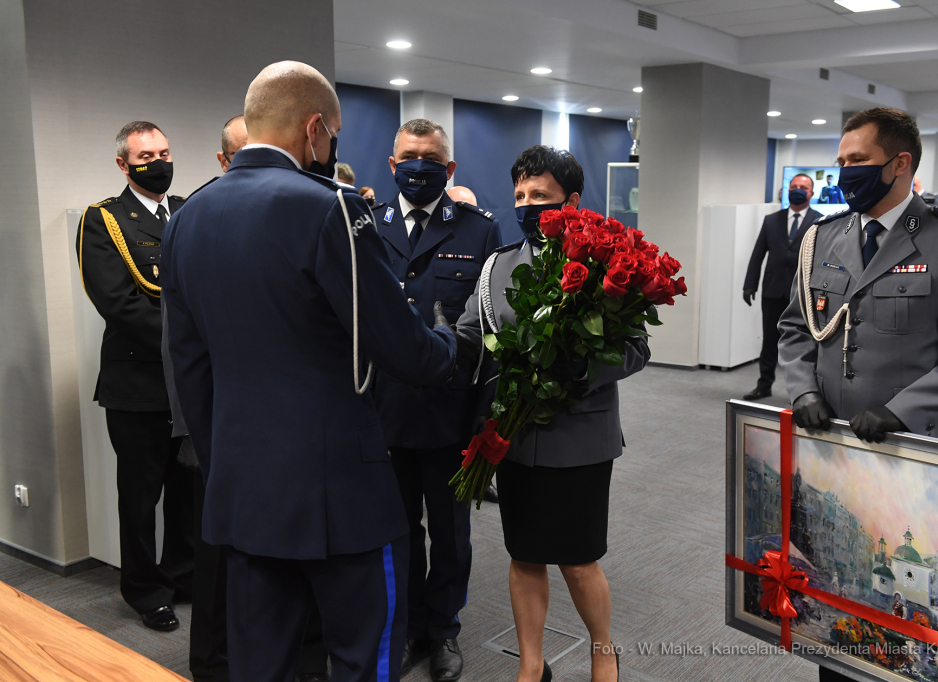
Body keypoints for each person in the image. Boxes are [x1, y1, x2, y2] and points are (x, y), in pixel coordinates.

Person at [162, 61, 458, 682]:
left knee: (259, 662)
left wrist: (227, 466)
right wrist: (452, 343)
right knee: (362, 656)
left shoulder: (189, 215)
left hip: (244, 490)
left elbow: (188, 367)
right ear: (315, 129)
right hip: (343, 492)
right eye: (335, 135)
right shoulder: (333, 210)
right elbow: (403, 350)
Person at [776, 108, 938, 682]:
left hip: (914, 458)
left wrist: (904, 409)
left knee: (905, 634)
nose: (844, 173)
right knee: (841, 609)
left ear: (900, 164)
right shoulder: (823, 238)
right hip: (833, 452)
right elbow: (794, 328)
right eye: (840, 162)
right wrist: (802, 387)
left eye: (857, 161)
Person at [457, 145, 649, 682]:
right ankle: (532, 663)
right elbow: (471, 335)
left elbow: (636, 348)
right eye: (519, 195)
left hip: (580, 440)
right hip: (514, 438)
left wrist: (581, 367)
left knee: (578, 559)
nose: (526, 205)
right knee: (524, 555)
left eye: (540, 195)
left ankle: (603, 648)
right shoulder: (498, 265)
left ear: (573, 201)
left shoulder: (600, 264)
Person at [168, 116, 330, 682]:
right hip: (221, 429)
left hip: (276, 436)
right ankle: (212, 666)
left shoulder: (299, 211)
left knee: (287, 572)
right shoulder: (196, 218)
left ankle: (301, 661)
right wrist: (206, 441)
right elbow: (182, 348)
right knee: (225, 571)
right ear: (223, 160)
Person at [370, 119, 500, 682]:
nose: (417, 165)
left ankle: (443, 630)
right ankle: (404, 630)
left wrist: (486, 416)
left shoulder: (479, 231)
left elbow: (492, 332)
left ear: (448, 169)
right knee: (395, 531)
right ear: (391, 164)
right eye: (408, 156)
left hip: (451, 412)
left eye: (430, 157)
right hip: (384, 412)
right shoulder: (366, 227)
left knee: (450, 534)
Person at [76, 121, 194, 633]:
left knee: (189, 490)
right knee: (141, 497)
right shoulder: (103, 220)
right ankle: (146, 590)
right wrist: (191, 345)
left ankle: (184, 576)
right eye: (147, 155)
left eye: (165, 151)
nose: (159, 161)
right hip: (139, 385)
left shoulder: (190, 211)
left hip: (188, 386)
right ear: (124, 164)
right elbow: (118, 303)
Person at [740, 174, 822, 400]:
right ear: (787, 191)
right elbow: (758, 254)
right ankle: (764, 384)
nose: (797, 190)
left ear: (811, 193)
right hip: (773, 289)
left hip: (804, 293)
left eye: (803, 187)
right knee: (770, 340)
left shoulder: (821, 222)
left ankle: (806, 391)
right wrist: (750, 284)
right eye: (794, 186)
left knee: (806, 342)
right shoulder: (771, 220)